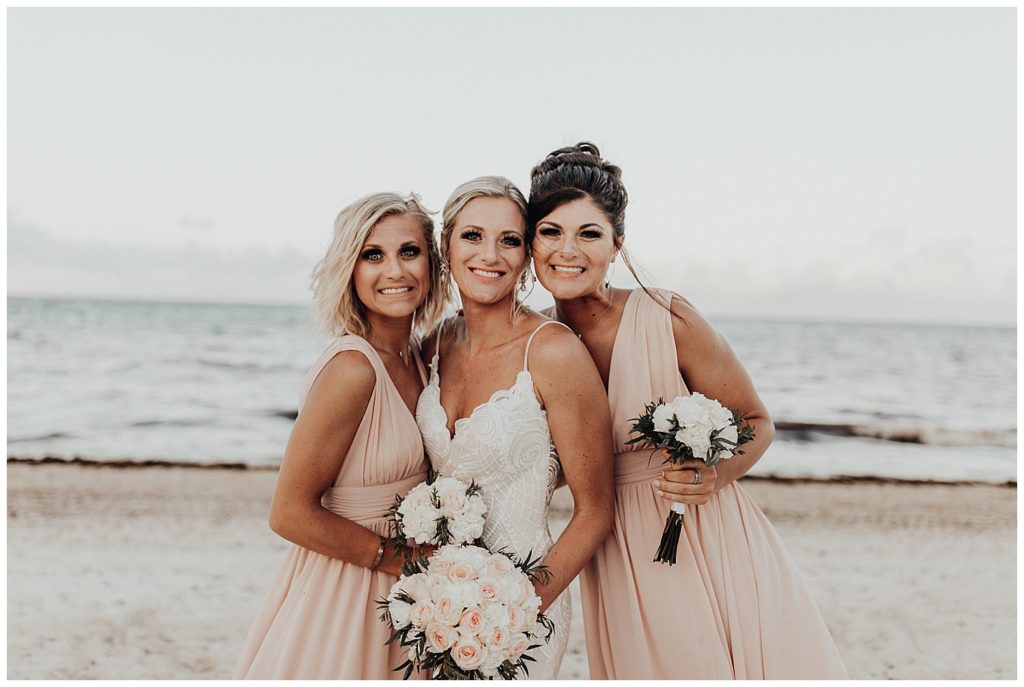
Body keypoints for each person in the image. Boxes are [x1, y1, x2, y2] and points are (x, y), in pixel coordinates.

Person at [527, 143, 848, 679]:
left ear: (617, 246)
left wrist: (712, 472)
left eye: (589, 233)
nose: (568, 249)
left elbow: (755, 420)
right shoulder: (533, 341)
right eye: (551, 231)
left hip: (701, 532)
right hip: (606, 545)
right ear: (531, 244)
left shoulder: (664, 316)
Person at [234, 192, 447, 679]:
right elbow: (288, 513)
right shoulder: (352, 368)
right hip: (347, 590)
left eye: (409, 252)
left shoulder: (419, 356)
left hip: (409, 597)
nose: (394, 270)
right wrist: (402, 559)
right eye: (373, 255)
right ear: (350, 270)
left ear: (433, 265)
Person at [414, 176, 615, 679]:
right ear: (446, 245)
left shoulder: (553, 351)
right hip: (438, 604)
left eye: (509, 240)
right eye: (473, 236)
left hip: (525, 610)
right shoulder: (435, 343)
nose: (492, 255)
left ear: (526, 254)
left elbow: (595, 511)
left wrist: (517, 608)